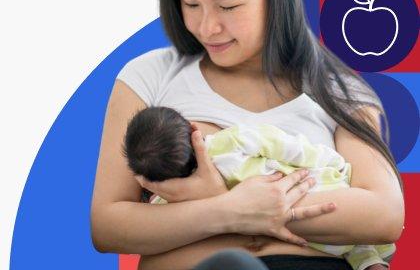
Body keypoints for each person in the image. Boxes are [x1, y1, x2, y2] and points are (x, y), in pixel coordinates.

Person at [90, 0, 404, 270]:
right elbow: (107, 225)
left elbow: (383, 214)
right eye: (190, 4)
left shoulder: (338, 91)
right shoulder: (150, 76)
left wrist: (235, 201)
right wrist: (228, 211)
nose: (207, 27)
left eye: (228, 7)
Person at [122, 105, 394, 270]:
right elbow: (284, 144)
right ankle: (367, 259)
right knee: (354, 246)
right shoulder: (232, 140)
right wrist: (330, 164)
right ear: (194, 129)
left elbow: (385, 219)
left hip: (313, 217)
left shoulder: (168, 194)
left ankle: (366, 257)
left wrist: (219, 201)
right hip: (318, 220)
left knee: (349, 239)